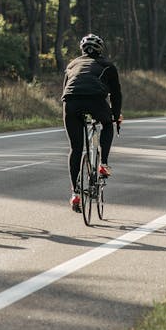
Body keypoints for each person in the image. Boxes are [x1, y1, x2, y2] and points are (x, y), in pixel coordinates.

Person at [61, 33, 122, 212]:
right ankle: (103, 164)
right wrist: (115, 115)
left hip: (71, 102)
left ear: (82, 50)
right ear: (100, 50)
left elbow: (64, 90)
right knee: (107, 124)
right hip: (96, 100)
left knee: (76, 148)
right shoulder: (108, 65)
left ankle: (75, 194)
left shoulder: (72, 64)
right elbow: (116, 94)